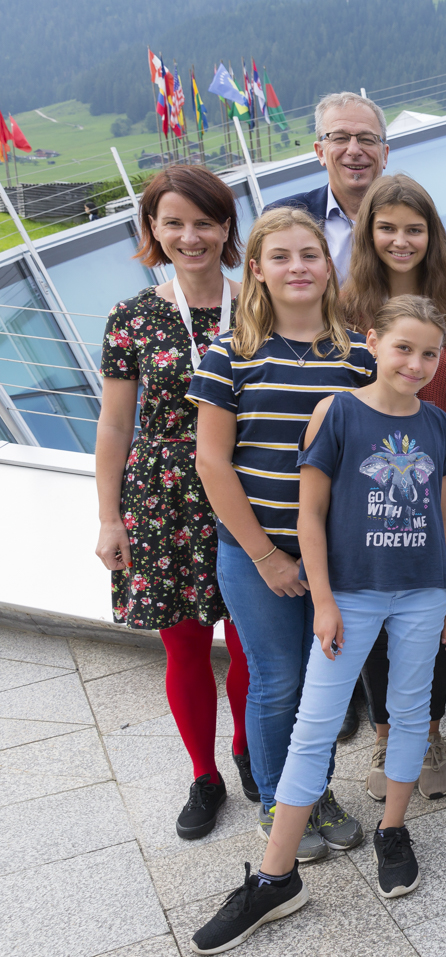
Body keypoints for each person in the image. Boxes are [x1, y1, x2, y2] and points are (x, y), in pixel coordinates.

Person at [190, 295, 446, 954]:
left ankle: (394, 829)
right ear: (371, 342)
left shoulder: (437, 424)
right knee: (315, 721)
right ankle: (274, 875)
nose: (417, 363)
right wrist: (323, 598)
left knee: (408, 710)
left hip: (423, 592)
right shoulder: (337, 413)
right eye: (404, 347)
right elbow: (309, 514)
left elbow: (444, 513)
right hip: (353, 594)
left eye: (429, 352)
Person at [189, 207, 375, 863]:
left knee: (323, 681)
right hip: (252, 552)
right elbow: (212, 461)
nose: (297, 267)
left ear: (329, 267)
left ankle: (315, 793)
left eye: (310, 255)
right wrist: (267, 556)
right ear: (259, 273)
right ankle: (277, 800)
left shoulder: (357, 356)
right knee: (276, 682)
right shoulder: (229, 354)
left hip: (335, 553)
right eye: (281, 257)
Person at [95, 164, 253, 841]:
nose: (191, 236)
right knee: (185, 648)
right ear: (153, 231)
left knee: (252, 644)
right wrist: (108, 517)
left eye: (204, 222)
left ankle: (250, 750)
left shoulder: (261, 302)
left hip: (248, 489)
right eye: (174, 223)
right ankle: (204, 774)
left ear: (226, 227)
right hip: (162, 500)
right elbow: (114, 425)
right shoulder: (132, 317)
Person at [342, 173, 446, 801]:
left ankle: (426, 728)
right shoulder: (342, 312)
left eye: (414, 228)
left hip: (438, 482)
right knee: (372, 607)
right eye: (388, 227)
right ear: (369, 233)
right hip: (368, 484)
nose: (401, 240)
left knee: (437, 605)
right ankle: (383, 727)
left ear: (433, 236)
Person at [263, 92, 388, 282]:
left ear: (385, 154)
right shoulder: (279, 217)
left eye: (367, 139)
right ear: (320, 152)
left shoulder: (412, 216)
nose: (354, 150)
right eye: (339, 138)